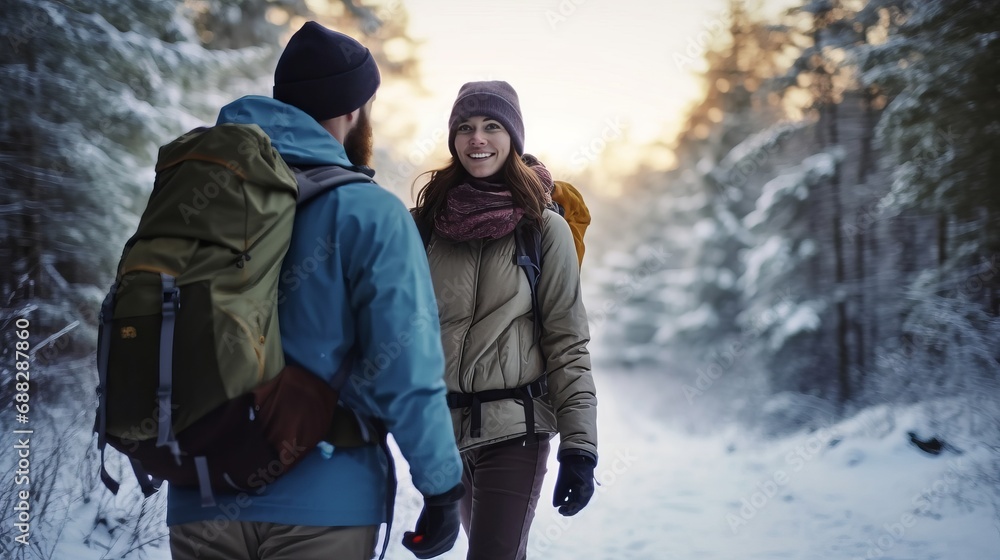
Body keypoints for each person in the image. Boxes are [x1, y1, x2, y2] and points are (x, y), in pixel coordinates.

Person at [166, 21, 464, 560]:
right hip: (325, 504)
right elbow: (407, 370)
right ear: (354, 111)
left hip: (200, 492)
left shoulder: (201, 196)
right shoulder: (371, 213)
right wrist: (442, 487)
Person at [410, 81, 599, 560]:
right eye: (466, 128)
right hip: (444, 436)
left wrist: (579, 448)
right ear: (453, 139)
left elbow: (567, 339)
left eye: (492, 126)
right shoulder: (426, 224)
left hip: (516, 430)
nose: (478, 139)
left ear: (513, 137)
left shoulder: (543, 226)